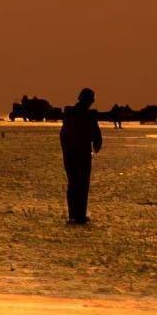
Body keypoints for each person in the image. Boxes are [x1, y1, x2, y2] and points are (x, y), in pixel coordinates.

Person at [60, 88, 102, 224]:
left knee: (73, 184)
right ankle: (79, 215)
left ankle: (74, 214)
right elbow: (96, 136)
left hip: (70, 154)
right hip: (81, 154)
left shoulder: (69, 114)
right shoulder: (88, 116)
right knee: (81, 185)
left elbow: (63, 135)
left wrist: (66, 150)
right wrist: (96, 145)